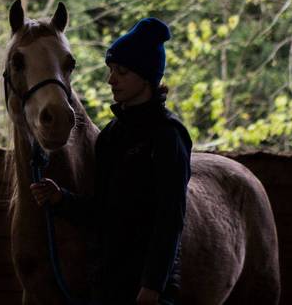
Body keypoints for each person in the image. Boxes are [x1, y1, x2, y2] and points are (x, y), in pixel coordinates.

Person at [31, 17, 192, 305]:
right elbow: (103, 209)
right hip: (107, 281)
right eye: (110, 70)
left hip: (147, 287)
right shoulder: (110, 137)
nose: (110, 79)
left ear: (145, 77)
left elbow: (170, 218)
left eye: (121, 71)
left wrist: (152, 286)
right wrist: (61, 199)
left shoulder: (169, 137)